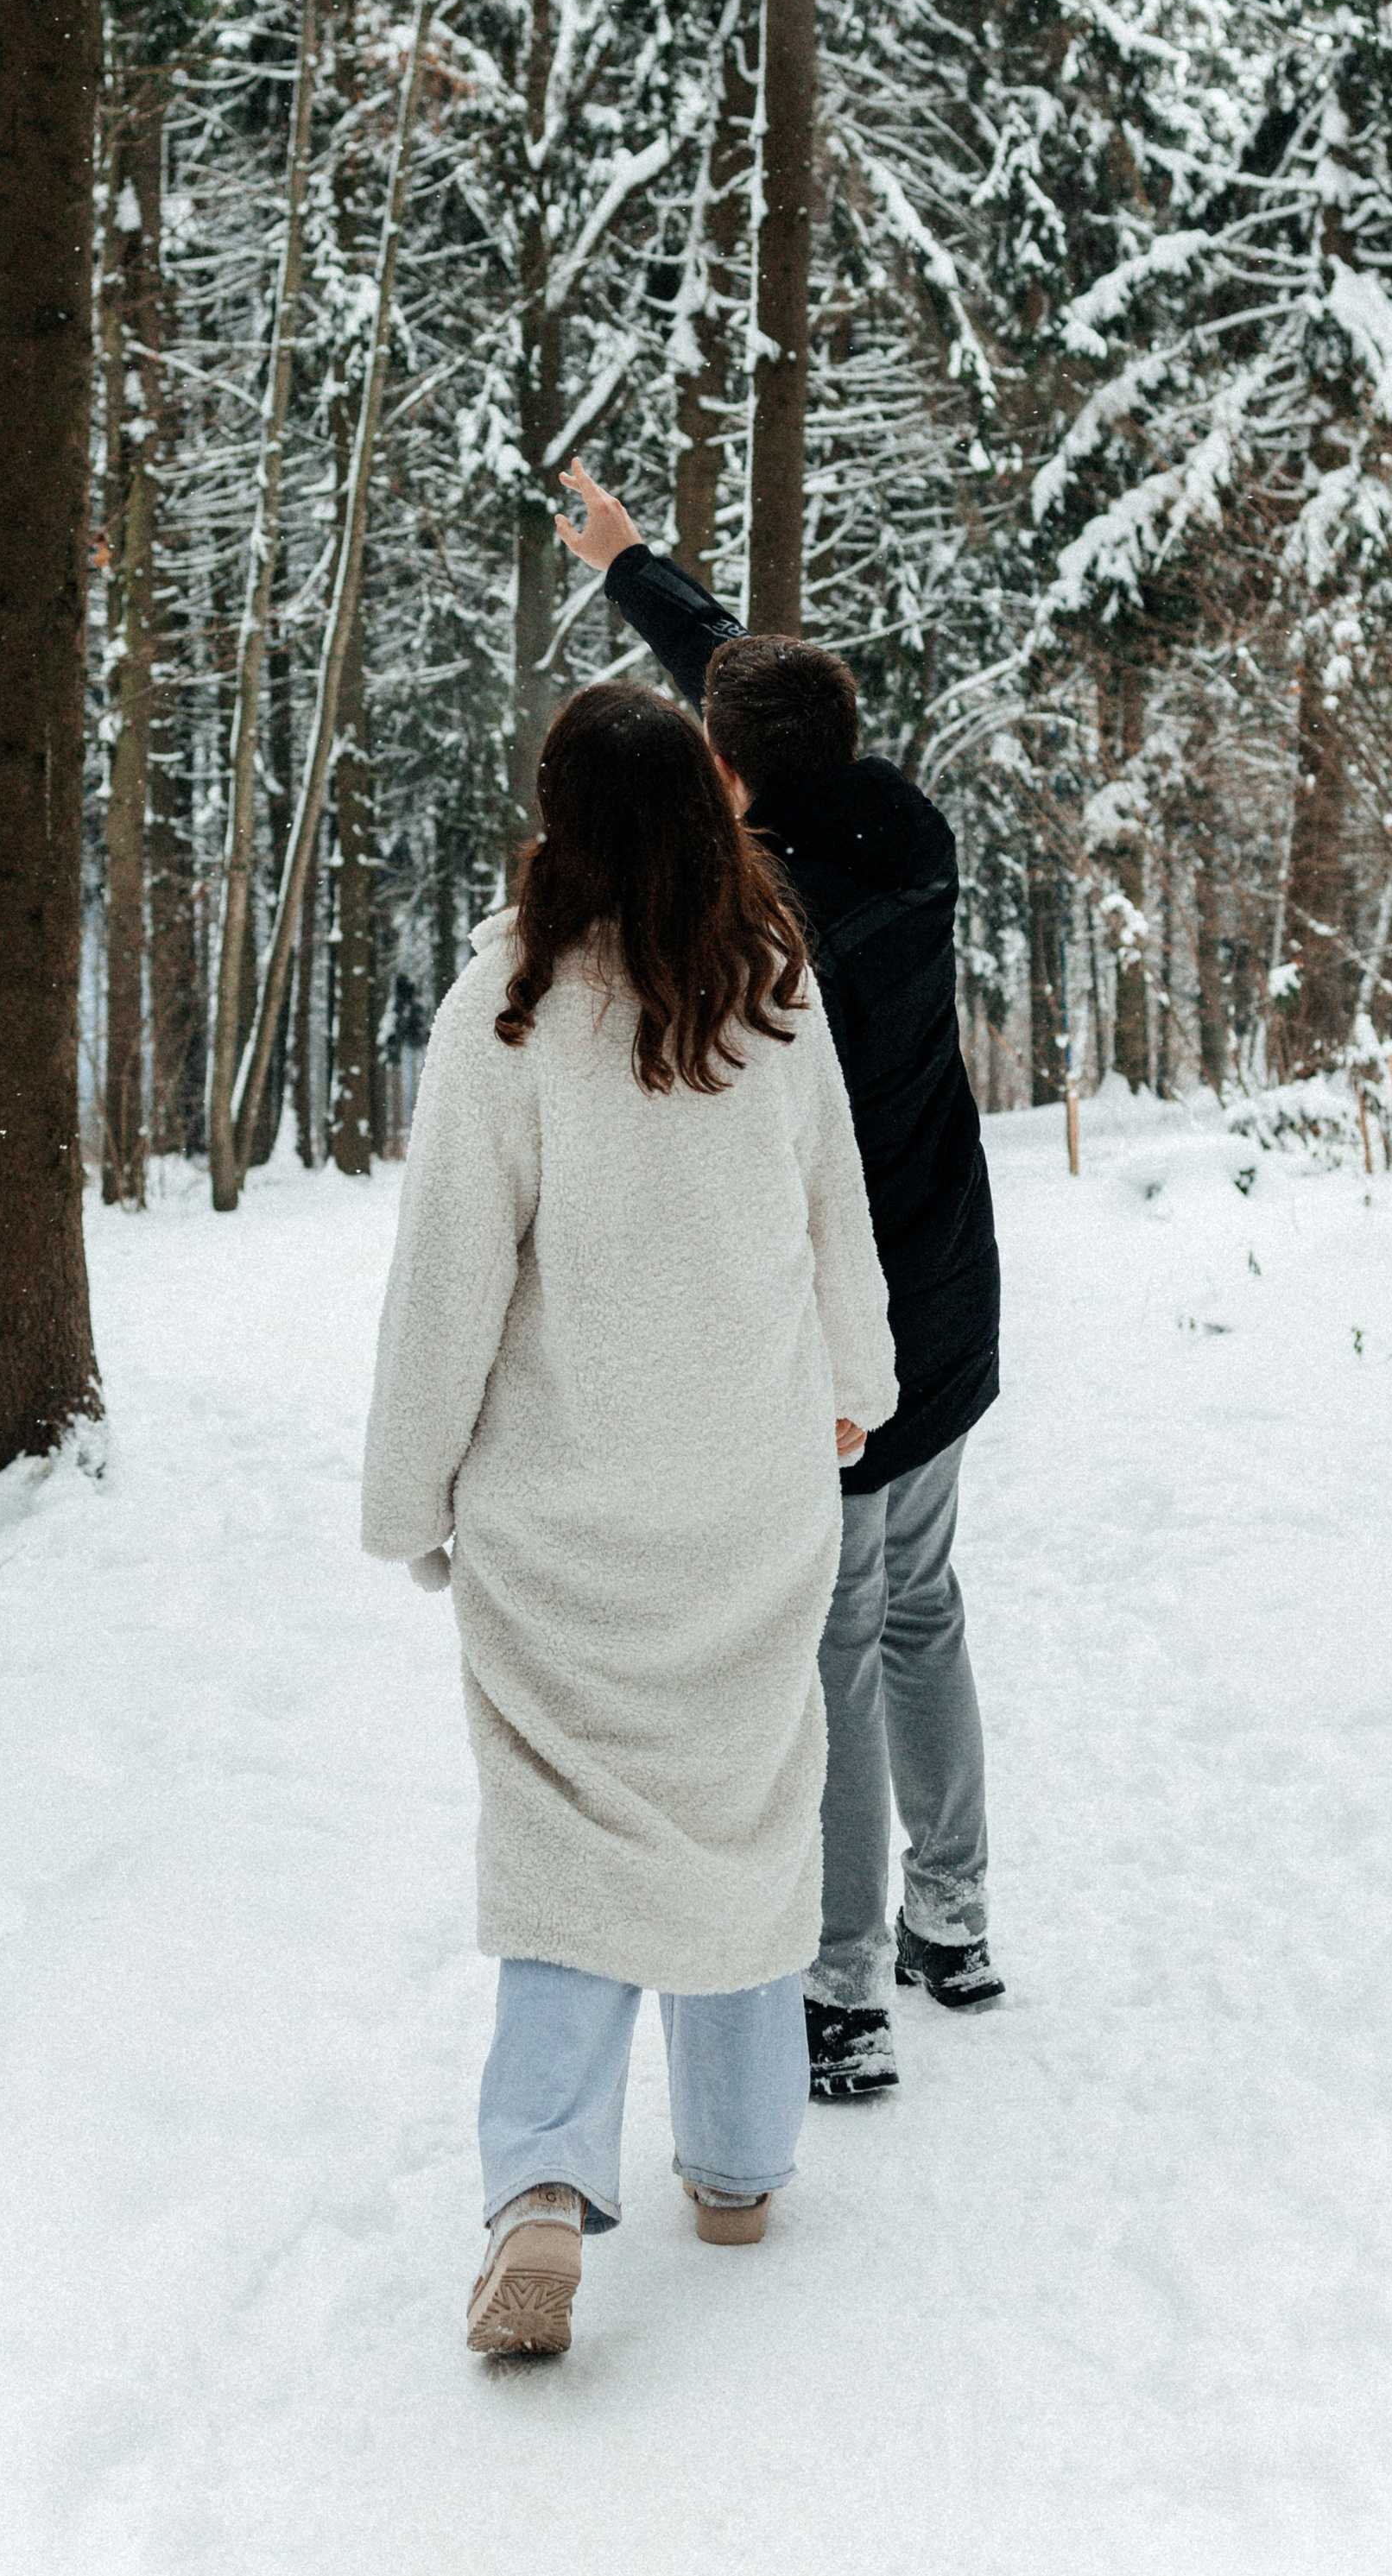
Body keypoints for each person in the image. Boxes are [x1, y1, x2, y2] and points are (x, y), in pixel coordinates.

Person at [361, 680, 895, 2358]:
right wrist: (856, 1387)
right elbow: (836, 1220)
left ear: (559, 819)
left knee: (566, 1841)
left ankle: (537, 2183)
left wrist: (406, 1497)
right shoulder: (773, 995)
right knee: (738, 1812)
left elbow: (445, 1278)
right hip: (744, 1499)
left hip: (562, 1519)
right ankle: (734, 2165)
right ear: (707, 810)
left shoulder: (502, 1013)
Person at [554, 465, 1005, 2105]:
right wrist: (636, 570)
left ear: (728, 777)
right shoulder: (908, 825)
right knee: (926, 1608)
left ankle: (841, 1987)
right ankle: (952, 1923)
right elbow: (750, 678)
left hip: (853, 1329)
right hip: (956, 1298)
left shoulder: (761, 918)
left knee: (834, 1635)